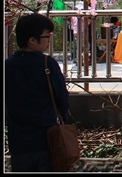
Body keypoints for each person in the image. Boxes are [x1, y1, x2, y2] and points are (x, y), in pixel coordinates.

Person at [4, 13, 71, 172]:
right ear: (32, 40)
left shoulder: (8, 66)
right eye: (47, 36)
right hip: (47, 138)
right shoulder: (47, 64)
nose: (49, 40)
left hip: (19, 141)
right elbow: (62, 97)